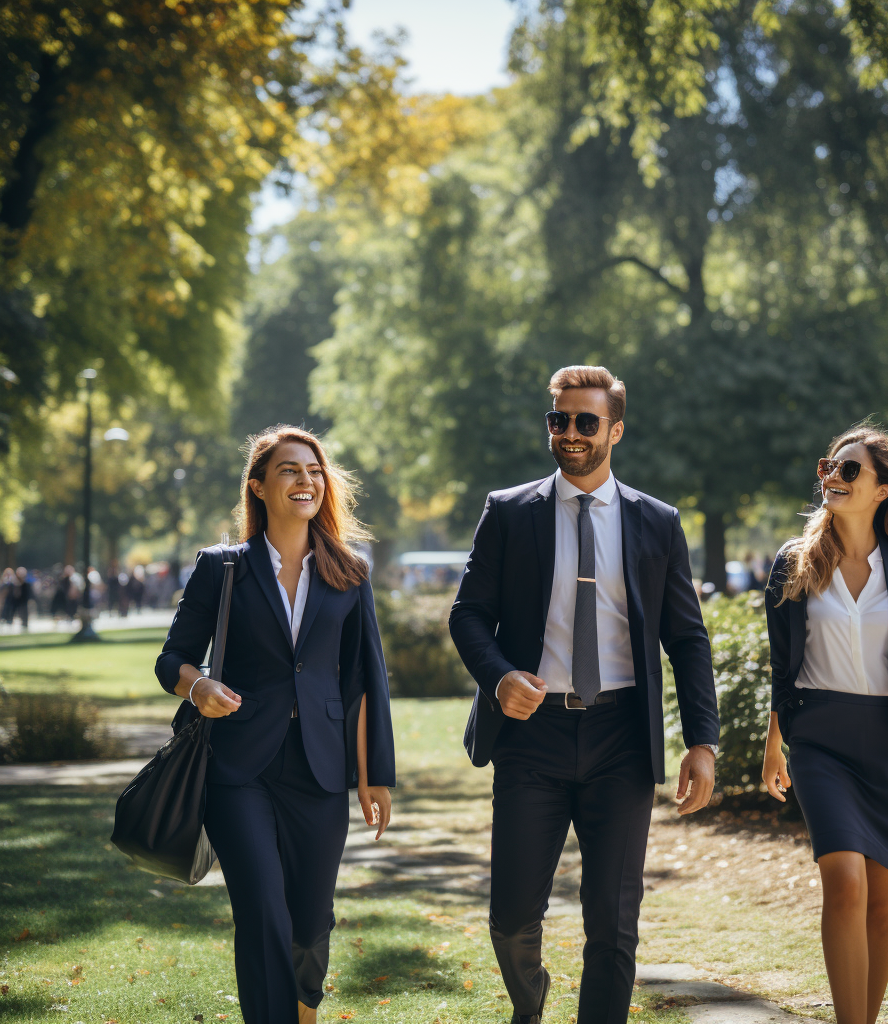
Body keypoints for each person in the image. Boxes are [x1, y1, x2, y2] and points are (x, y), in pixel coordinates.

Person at [449, 366, 719, 1024]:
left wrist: (702, 742)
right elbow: (468, 615)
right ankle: (531, 996)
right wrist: (500, 675)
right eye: (558, 420)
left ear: (615, 430)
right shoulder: (509, 512)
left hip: (621, 737)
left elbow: (687, 638)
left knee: (613, 924)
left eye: (585, 421)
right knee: (511, 918)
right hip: (530, 735)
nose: (569, 432)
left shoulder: (657, 523)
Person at [155, 425, 396, 1024]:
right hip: (238, 767)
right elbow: (171, 659)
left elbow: (366, 679)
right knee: (263, 909)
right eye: (290, 470)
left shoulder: (350, 572)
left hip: (319, 767)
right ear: (258, 487)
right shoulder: (221, 568)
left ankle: (303, 1009)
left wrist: (374, 776)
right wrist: (199, 684)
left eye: (314, 471)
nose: (305, 480)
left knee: (311, 920)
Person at [761, 426, 888, 1024]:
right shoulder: (793, 564)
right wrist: (773, 745)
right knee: (845, 882)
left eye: (850, 471)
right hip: (820, 741)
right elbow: (782, 665)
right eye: (829, 467)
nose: (834, 478)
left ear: (881, 490)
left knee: (884, 906)